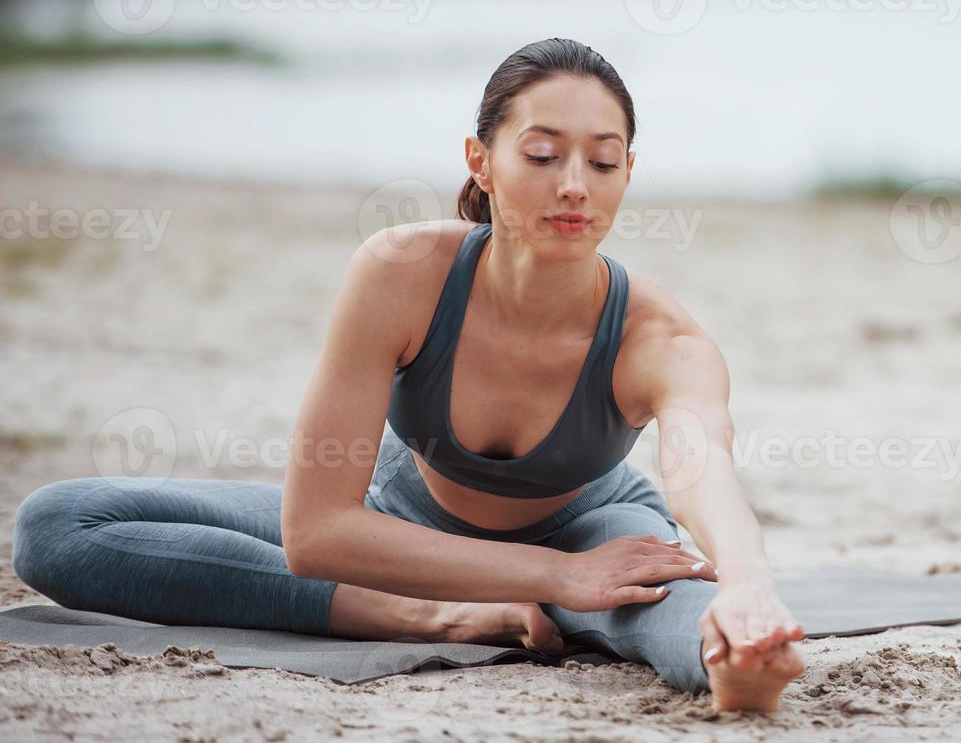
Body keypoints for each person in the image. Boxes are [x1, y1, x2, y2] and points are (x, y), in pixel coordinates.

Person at [11, 37, 806, 711]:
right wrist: (545, 578)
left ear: (627, 173)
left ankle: (737, 664)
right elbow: (316, 531)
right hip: (399, 520)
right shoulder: (400, 273)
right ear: (481, 162)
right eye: (542, 154)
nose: (574, 185)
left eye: (602, 162)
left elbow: (702, 473)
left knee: (651, 598)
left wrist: (747, 581)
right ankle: (441, 616)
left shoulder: (659, 337)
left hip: (589, 526)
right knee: (58, 526)